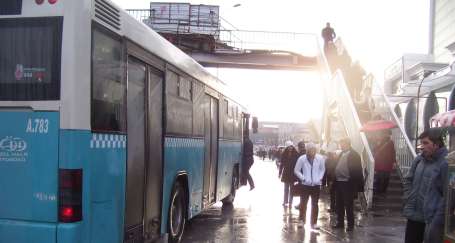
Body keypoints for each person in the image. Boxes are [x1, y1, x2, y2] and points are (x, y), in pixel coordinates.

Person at [403, 128, 448, 243]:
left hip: (431, 220)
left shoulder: (445, 163)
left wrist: (437, 218)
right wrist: (409, 196)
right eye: (421, 143)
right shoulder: (419, 160)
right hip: (414, 215)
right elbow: (408, 180)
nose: (422, 146)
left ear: (436, 144)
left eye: (426, 143)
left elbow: (446, 196)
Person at [332, 138, 364, 231]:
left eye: (342, 144)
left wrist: (358, 187)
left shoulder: (354, 155)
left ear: (347, 144)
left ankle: (350, 225)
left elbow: (358, 171)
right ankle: (340, 223)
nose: (341, 146)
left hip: (348, 183)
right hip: (339, 182)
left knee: (348, 205)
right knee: (339, 204)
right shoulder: (341, 153)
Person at [294, 143, 326, 229]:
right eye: (310, 150)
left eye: (313, 149)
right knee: (303, 203)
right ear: (307, 150)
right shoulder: (302, 158)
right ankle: (301, 220)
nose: (312, 151)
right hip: (305, 185)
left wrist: (319, 178)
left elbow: (322, 169)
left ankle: (314, 223)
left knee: (315, 204)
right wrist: (303, 178)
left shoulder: (320, 158)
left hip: (316, 185)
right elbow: (296, 170)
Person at [279, 141, 299, 207]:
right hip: (286, 173)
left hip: (293, 174)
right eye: (288, 147)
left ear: (292, 147)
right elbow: (281, 164)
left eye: (291, 146)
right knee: (286, 189)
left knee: (292, 189)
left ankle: (290, 202)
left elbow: (298, 165)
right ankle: (285, 202)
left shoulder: (296, 154)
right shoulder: (284, 154)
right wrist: (280, 173)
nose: (290, 148)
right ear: (287, 147)